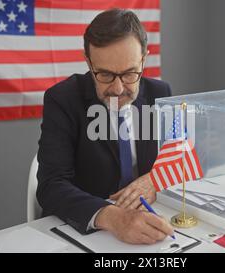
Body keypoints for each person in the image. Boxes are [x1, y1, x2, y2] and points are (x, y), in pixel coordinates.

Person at [36, 8, 175, 244]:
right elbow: (51, 186)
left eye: (131, 73)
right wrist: (114, 218)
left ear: (144, 59)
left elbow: (178, 155)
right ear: (89, 63)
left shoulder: (160, 94)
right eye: (105, 75)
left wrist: (155, 179)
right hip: (85, 232)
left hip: (150, 222)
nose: (119, 89)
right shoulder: (62, 100)